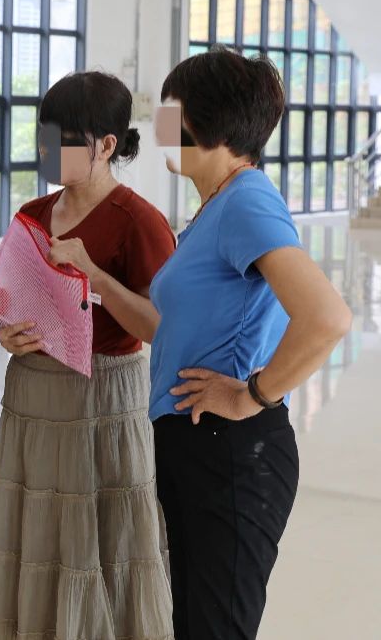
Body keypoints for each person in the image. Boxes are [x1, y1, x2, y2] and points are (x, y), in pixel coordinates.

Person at [150, 48, 352, 640]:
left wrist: (252, 395)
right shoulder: (217, 206)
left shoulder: (246, 199)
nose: (161, 128)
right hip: (194, 444)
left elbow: (326, 317)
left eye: (169, 113)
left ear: (202, 121)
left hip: (231, 451)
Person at [0, 71, 177, 640]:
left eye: (62, 141)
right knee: (36, 535)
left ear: (106, 145)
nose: (46, 151)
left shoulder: (139, 221)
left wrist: (94, 275)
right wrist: (8, 335)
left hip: (103, 396)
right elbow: (13, 302)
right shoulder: (32, 214)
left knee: (100, 540)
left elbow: (160, 327)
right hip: (33, 395)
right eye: (44, 137)